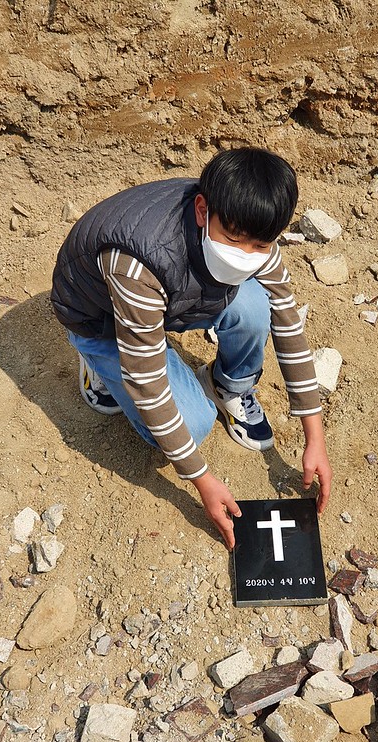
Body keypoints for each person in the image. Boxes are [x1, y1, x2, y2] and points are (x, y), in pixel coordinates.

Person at [51, 147, 332, 550]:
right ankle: (97, 361)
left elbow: (287, 320)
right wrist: (201, 479)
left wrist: (314, 435)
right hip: (99, 317)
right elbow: (148, 384)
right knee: (193, 424)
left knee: (256, 306)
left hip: (170, 295)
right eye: (233, 240)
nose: (245, 256)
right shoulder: (138, 263)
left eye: (259, 246)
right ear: (203, 210)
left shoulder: (249, 224)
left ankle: (227, 385)